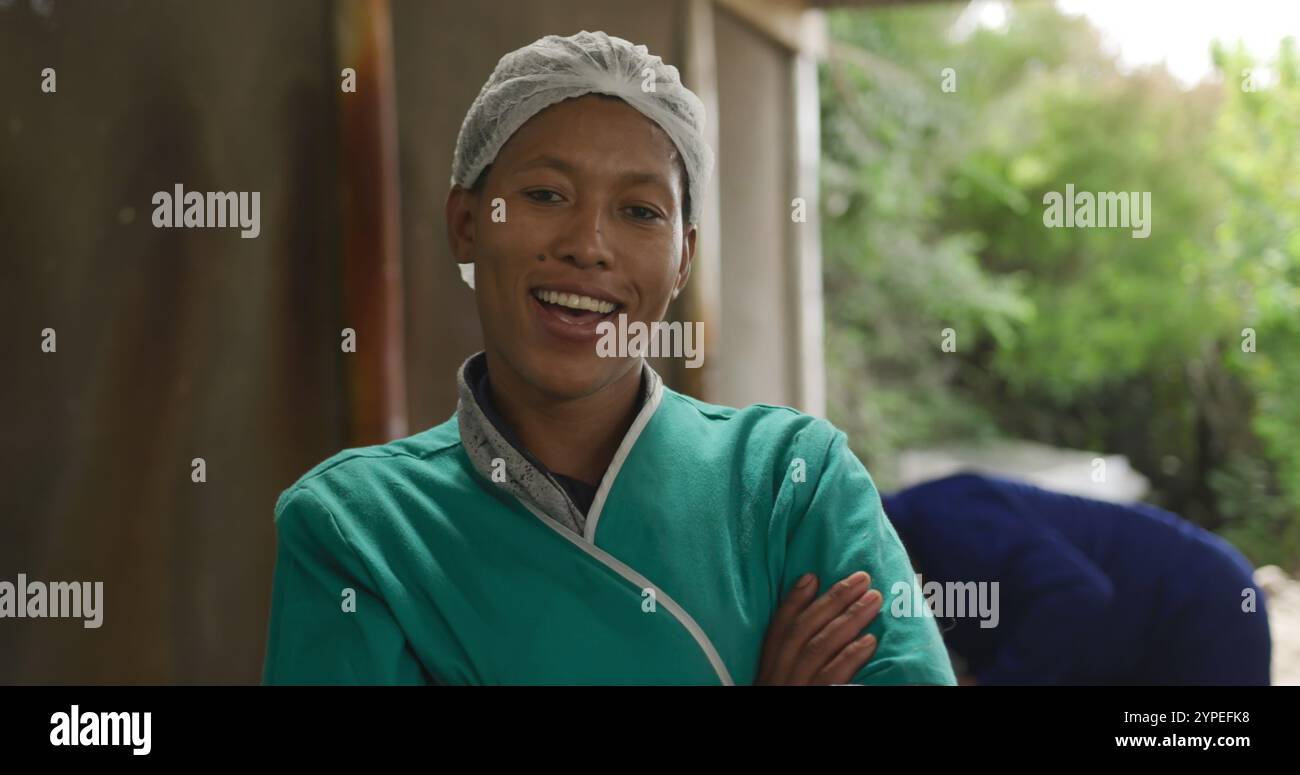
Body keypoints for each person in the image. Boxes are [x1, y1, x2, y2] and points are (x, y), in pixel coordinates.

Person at [261, 30, 955, 686]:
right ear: (467, 224)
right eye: (545, 195)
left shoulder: (791, 483)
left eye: (640, 211)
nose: (588, 244)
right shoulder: (356, 529)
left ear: (683, 257)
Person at [881, 472, 1272, 685]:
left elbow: (1076, 592)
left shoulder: (947, 517)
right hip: (1123, 645)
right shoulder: (908, 560)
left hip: (1204, 607)